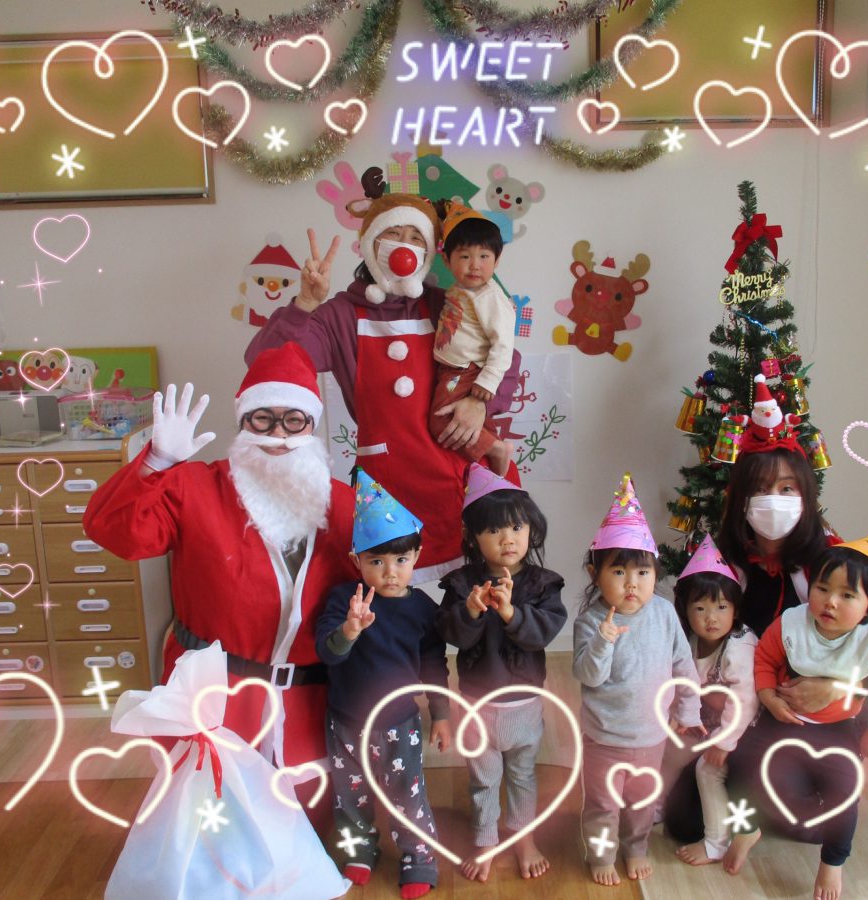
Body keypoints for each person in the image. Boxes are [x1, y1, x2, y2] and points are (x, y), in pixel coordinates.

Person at [82, 343, 354, 824]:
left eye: (294, 420)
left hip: (309, 709)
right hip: (214, 701)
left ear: (311, 426)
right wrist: (157, 462)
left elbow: (396, 572)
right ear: (243, 422)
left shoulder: (346, 504)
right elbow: (114, 531)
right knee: (212, 831)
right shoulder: (193, 488)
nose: (278, 434)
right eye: (262, 419)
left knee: (304, 836)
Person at [666, 374, 868, 845]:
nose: (773, 502)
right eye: (761, 489)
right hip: (737, 715)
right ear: (740, 498)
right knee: (684, 823)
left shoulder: (836, 569)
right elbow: (684, 644)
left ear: (806, 497)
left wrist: (842, 685)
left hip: (815, 722)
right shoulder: (721, 569)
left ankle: (790, 792)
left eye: (786, 489)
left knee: (809, 826)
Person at [246, 174, 521, 581]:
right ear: (370, 243)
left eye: (415, 236)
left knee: (475, 596)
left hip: (456, 472)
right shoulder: (340, 314)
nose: (404, 246)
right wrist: (305, 303)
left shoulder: (446, 303)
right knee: (387, 596)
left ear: (429, 252)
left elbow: (507, 359)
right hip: (387, 485)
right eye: (393, 233)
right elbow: (267, 364)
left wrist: (479, 403)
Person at [724, 538, 868, 900]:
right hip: (783, 715)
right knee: (741, 761)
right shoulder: (792, 624)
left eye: (847, 595)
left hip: (838, 727)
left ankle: (833, 861)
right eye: (823, 588)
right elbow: (764, 659)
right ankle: (746, 828)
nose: (830, 601)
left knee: (845, 789)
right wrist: (768, 696)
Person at [315, 470, 450, 900]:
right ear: (356, 560)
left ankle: (418, 855)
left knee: (407, 793)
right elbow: (328, 653)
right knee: (349, 793)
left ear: (417, 556)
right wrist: (350, 630)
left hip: (400, 723)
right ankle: (359, 846)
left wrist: (441, 715)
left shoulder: (423, 609)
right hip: (345, 722)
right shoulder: (344, 601)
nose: (390, 572)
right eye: (376, 562)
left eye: (401, 560)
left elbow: (434, 664)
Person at [435, 464, 567, 882]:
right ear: (473, 536)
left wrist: (511, 612)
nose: (508, 538)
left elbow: (543, 632)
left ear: (531, 531)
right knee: (483, 778)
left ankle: (523, 838)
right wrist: (472, 611)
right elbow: (450, 635)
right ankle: (486, 840)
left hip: (525, 703)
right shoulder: (461, 585)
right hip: (477, 705)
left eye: (516, 527)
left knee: (523, 775)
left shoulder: (543, 585)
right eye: (493, 530)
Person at [572, 474, 702, 886]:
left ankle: (637, 847)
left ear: (654, 574)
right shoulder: (590, 621)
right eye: (619, 571)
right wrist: (603, 641)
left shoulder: (663, 613)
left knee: (643, 801)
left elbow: (683, 664)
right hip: (604, 737)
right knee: (603, 805)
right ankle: (601, 854)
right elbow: (588, 675)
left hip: (651, 736)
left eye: (643, 572)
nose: (632, 582)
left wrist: (688, 710)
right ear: (595, 574)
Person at [658, 536, 760, 867]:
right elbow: (679, 683)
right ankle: (655, 806)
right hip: (703, 724)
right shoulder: (689, 640)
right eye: (700, 608)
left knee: (708, 770)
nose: (711, 618)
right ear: (686, 612)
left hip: (740, 731)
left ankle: (716, 842)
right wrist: (680, 715)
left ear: (735, 610)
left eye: (721, 607)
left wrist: (723, 742)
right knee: (671, 751)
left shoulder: (738, 646)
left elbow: (745, 700)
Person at [430, 204, 516, 475]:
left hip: (466, 371)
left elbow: (503, 343)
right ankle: (490, 472)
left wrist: (487, 381)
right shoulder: (460, 290)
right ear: (447, 261)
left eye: (484, 256)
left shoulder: (489, 296)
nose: (475, 265)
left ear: (497, 261)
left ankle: (498, 451)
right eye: (465, 256)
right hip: (453, 369)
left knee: (441, 422)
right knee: (474, 425)